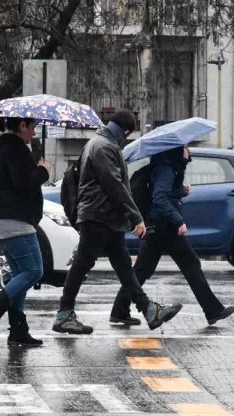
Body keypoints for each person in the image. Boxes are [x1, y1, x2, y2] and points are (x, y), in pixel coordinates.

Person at [53, 109, 183, 334]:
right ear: (125, 131)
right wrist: (136, 217)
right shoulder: (103, 146)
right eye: (127, 134)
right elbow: (114, 185)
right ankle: (64, 313)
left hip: (107, 218)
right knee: (82, 264)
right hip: (98, 216)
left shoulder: (101, 143)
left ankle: (148, 309)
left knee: (123, 267)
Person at [110, 145, 234, 326]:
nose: (188, 150)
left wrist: (182, 191)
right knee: (191, 265)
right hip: (164, 225)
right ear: (176, 150)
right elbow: (160, 197)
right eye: (185, 147)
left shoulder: (169, 166)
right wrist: (178, 220)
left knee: (142, 270)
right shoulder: (166, 169)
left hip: (158, 224)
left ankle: (120, 310)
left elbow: (165, 191)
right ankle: (213, 310)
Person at [0, 117, 52, 346]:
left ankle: (18, 330)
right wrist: (43, 171)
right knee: (34, 271)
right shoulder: (14, 148)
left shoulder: (3, 147)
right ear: (22, 126)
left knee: (20, 275)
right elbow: (23, 183)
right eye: (33, 127)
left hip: (3, 218)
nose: (34, 132)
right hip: (14, 220)